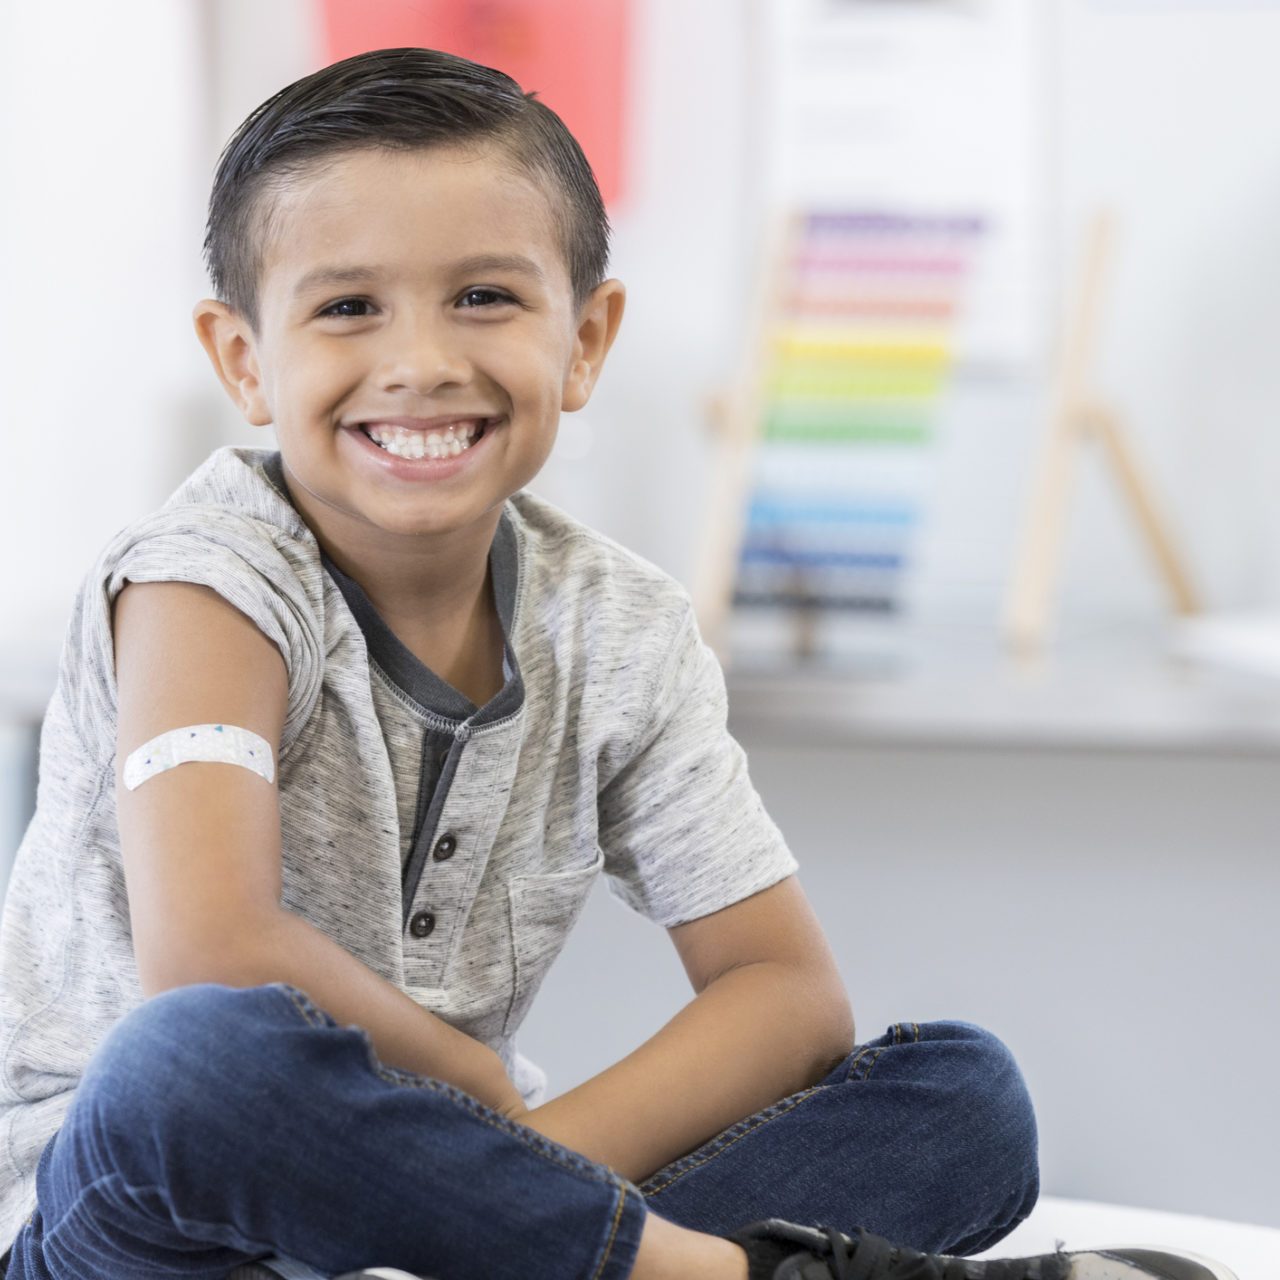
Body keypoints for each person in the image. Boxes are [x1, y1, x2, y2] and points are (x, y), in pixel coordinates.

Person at [0, 46, 1235, 1280]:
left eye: (484, 296)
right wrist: (476, 1088)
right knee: (196, 1057)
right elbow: (210, 950)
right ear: (243, 361)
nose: (420, 357)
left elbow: (784, 991)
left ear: (585, 339)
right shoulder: (202, 580)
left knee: (962, 1099)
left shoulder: (619, 626)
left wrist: (482, 1194)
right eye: (346, 306)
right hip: (138, 1223)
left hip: (454, 1223)